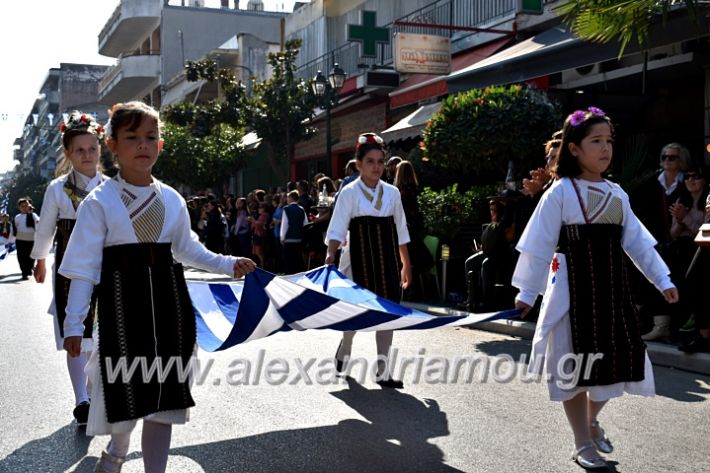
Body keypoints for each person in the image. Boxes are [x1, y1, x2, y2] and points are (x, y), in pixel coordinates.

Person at [58, 101, 256, 473]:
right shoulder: (98, 203)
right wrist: (74, 325)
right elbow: (83, 270)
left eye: (151, 137)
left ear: (161, 145)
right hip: (122, 314)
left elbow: (187, 250)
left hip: (170, 312)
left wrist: (228, 265)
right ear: (112, 146)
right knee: (126, 400)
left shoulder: (172, 199)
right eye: (132, 137)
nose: (143, 145)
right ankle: (117, 453)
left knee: (164, 402)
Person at [512, 107, 678, 471]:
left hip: (613, 293)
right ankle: (582, 443)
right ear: (574, 148)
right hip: (572, 295)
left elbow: (636, 242)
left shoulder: (617, 194)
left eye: (608, 141)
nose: (605, 149)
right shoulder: (559, 193)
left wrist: (663, 280)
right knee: (574, 370)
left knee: (619, 363)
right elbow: (538, 245)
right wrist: (527, 292)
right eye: (595, 141)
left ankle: (589, 421)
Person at [29, 111, 108, 425]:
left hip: (106, 263)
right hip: (69, 267)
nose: (87, 155)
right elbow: (45, 227)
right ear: (68, 153)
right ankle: (81, 399)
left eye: (92, 149)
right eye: (79, 150)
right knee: (75, 329)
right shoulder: (57, 189)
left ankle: (91, 389)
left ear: (100, 149)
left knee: (100, 334)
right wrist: (40, 260)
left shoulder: (112, 187)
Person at [326, 132, 412, 389]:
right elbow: (337, 229)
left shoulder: (392, 193)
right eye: (371, 161)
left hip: (386, 260)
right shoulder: (350, 192)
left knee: (388, 313)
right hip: (358, 259)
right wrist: (330, 255)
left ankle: (383, 371)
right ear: (359, 165)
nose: (376, 167)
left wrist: (406, 263)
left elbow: (401, 229)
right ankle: (346, 347)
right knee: (355, 312)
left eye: (380, 162)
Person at [394, 160, 433, 299]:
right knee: (422, 260)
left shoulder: (399, 192)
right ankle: (422, 291)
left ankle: (410, 290)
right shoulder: (415, 190)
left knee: (413, 260)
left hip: (405, 231)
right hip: (414, 231)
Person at [280, 190, 308, 274]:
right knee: (297, 258)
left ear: (291, 198)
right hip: (299, 239)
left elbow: (284, 225)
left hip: (289, 239)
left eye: (288, 197)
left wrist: (282, 237)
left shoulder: (286, 209)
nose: (287, 199)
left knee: (289, 260)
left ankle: (289, 274)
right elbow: (305, 224)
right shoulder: (301, 209)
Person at [14, 197, 39, 280]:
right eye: (22, 206)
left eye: (26, 205)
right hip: (20, 240)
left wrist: (31, 213)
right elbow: (13, 229)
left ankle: (30, 268)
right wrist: (11, 240)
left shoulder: (33, 216)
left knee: (31, 256)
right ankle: (24, 272)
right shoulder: (17, 217)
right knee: (21, 257)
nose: (25, 207)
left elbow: (38, 224)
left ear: (30, 206)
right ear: (19, 208)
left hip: (31, 240)